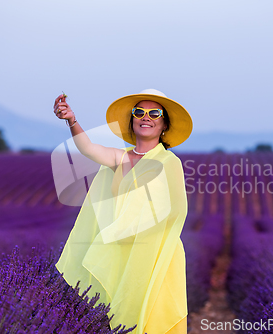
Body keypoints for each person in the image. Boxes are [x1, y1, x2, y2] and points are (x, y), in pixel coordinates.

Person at [52, 89, 193, 334]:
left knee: (152, 314)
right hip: (120, 251)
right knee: (117, 315)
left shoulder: (169, 163)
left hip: (156, 251)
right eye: (139, 112)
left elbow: (175, 210)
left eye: (154, 113)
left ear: (163, 125)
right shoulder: (122, 158)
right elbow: (88, 149)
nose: (146, 117)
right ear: (132, 120)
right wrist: (72, 121)